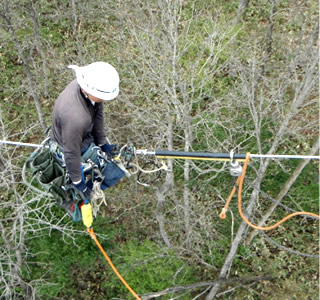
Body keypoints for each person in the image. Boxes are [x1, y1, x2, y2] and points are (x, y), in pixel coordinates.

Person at [49, 62, 125, 221]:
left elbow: (97, 114)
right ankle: (80, 198)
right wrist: (78, 182)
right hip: (72, 147)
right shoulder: (75, 116)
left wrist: (103, 143)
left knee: (113, 165)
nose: (104, 99)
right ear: (90, 91)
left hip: (81, 137)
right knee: (115, 172)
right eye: (103, 96)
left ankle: (86, 191)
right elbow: (71, 152)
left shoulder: (86, 87)